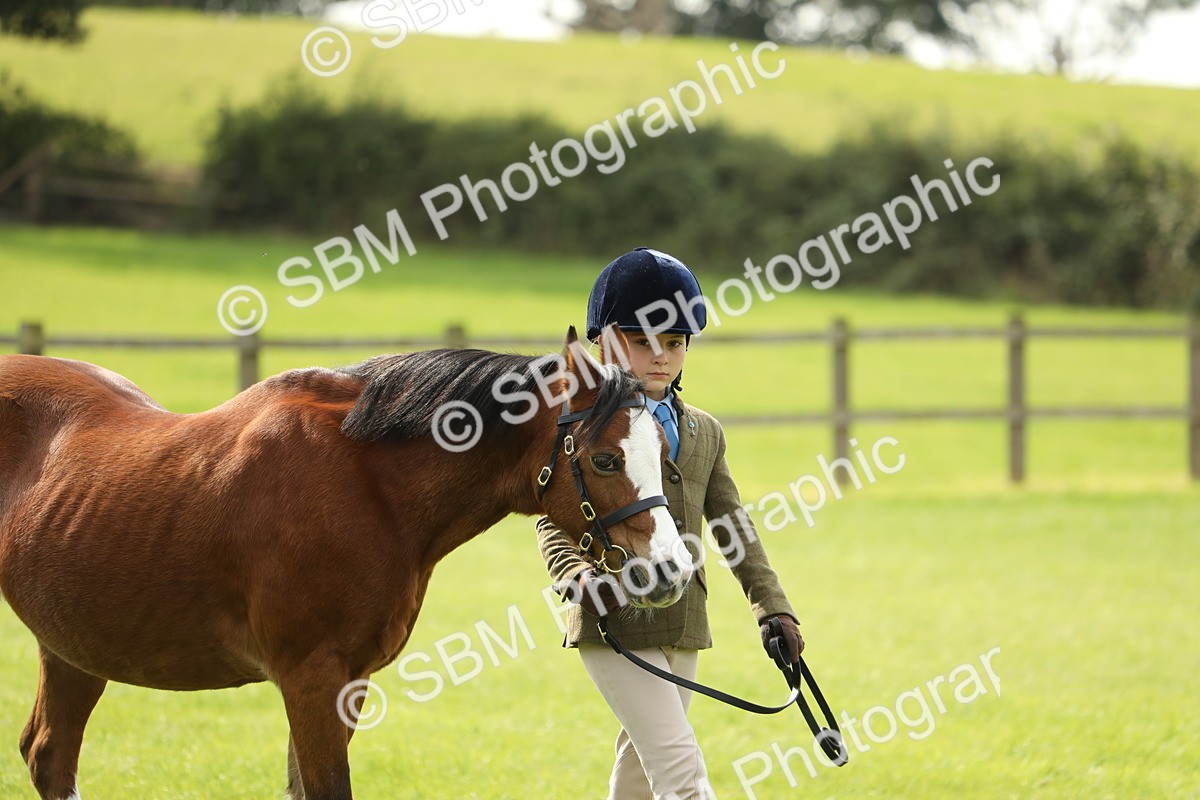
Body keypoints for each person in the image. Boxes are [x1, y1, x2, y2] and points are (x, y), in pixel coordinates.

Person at [536, 247, 803, 800]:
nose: (661, 357)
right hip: (615, 619)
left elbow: (734, 526)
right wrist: (574, 576)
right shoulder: (591, 430)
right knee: (680, 769)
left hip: (684, 620)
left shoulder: (704, 431)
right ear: (606, 344)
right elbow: (553, 520)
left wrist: (772, 606)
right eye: (643, 342)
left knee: (638, 774)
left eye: (675, 343)